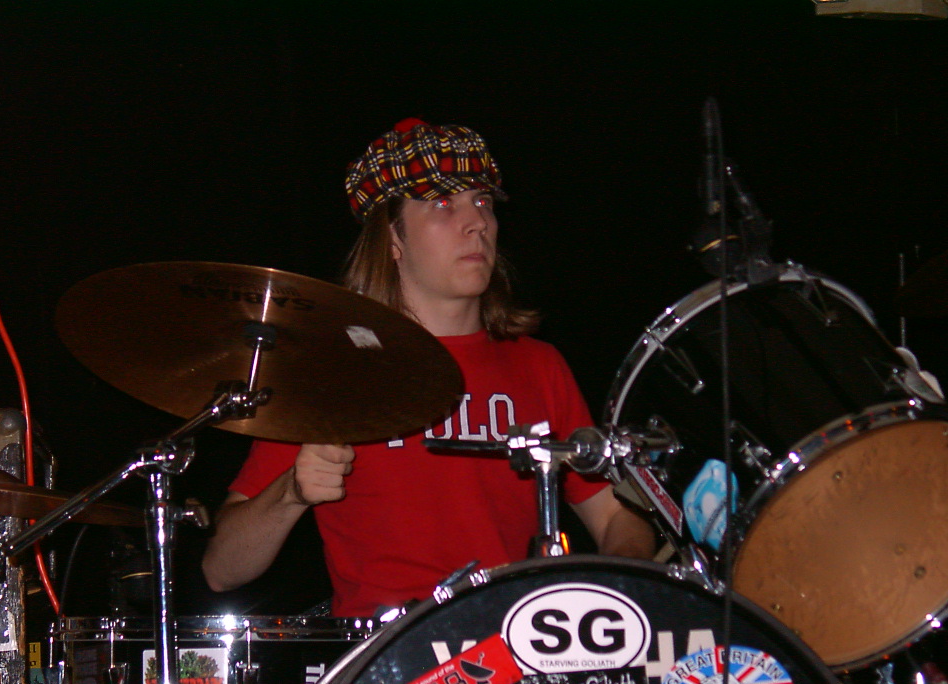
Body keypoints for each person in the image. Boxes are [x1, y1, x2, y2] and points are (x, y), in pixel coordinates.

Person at [202, 118, 655, 617]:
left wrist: (618, 590)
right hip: (389, 653)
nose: (477, 222)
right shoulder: (332, 373)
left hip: (518, 641)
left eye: (483, 202)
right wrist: (291, 492)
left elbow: (617, 517)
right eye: (443, 205)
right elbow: (223, 569)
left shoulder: (538, 365)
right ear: (391, 239)